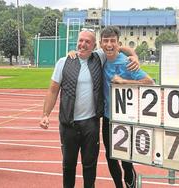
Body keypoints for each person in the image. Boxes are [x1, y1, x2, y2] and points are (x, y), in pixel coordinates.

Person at [39, 29, 139, 188]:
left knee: (89, 167)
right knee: (68, 166)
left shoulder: (99, 57)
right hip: (68, 125)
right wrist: (45, 114)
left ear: (94, 46)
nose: (83, 44)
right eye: (81, 40)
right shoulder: (63, 62)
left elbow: (120, 47)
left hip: (90, 125)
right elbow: (53, 90)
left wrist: (134, 56)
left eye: (87, 42)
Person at [100, 26, 154, 188]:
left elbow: (149, 82)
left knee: (126, 161)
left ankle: (130, 184)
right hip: (108, 118)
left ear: (118, 43)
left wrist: (125, 82)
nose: (109, 44)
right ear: (101, 43)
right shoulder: (100, 58)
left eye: (113, 41)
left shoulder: (126, 63)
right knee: (110, 158)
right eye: (106, 41)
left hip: (125, 119)